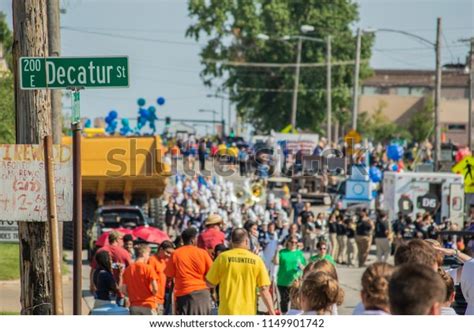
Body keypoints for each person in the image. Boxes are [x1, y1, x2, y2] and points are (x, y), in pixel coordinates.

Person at [205, 228, 276, 315]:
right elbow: (264, 289)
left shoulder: (222, 258)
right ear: (246, 241)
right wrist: (272, 312)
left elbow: (210, 283)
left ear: (231, 241)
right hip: (248, 313)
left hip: (227, 311)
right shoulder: (256, 260)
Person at [165, 227, 213, 315]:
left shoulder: (176, 254)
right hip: (202, 293)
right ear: (192, 240)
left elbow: (169, 275)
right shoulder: (203, 253)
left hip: (184, 294)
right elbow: (212, 273)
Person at [90, 231, 132, 299]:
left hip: (102, 289)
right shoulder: (124, 253)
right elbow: (131, 270)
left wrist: (92, 284)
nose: (123, 242)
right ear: (117, 239)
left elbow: (93, 269)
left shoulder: (100, 251)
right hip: (120, 290)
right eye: (122, 239)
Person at [121, 244, 158, 315]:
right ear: (143, 254)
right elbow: (155, 289)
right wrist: (154, 295)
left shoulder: (128, 269)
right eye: (148, 254)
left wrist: (133, 296)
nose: (149, 256)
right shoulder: (148, 268)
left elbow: (124, 290)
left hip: (134, 305)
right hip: (148, 304)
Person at [274, 235, 306, 314]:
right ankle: (284, 316)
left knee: (295, 301)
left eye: (296, 242)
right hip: (282, 281)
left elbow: (305, 267)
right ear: (288, 242)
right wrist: (277, 252)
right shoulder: (282, 252)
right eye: (292, 242)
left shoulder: (299, 253)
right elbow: (276, 262)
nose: (294, 244)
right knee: (284, 300)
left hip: (295, 281)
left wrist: (302, 267)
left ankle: (292, 316)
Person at [148, 240, 175, 315]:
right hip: (154, 299)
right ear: (161, 249)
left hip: (161, 299)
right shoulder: (152, 260)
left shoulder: (164, 261)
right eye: (167, 252)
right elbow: (149, 280)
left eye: (171, 253)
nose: (169, 255)